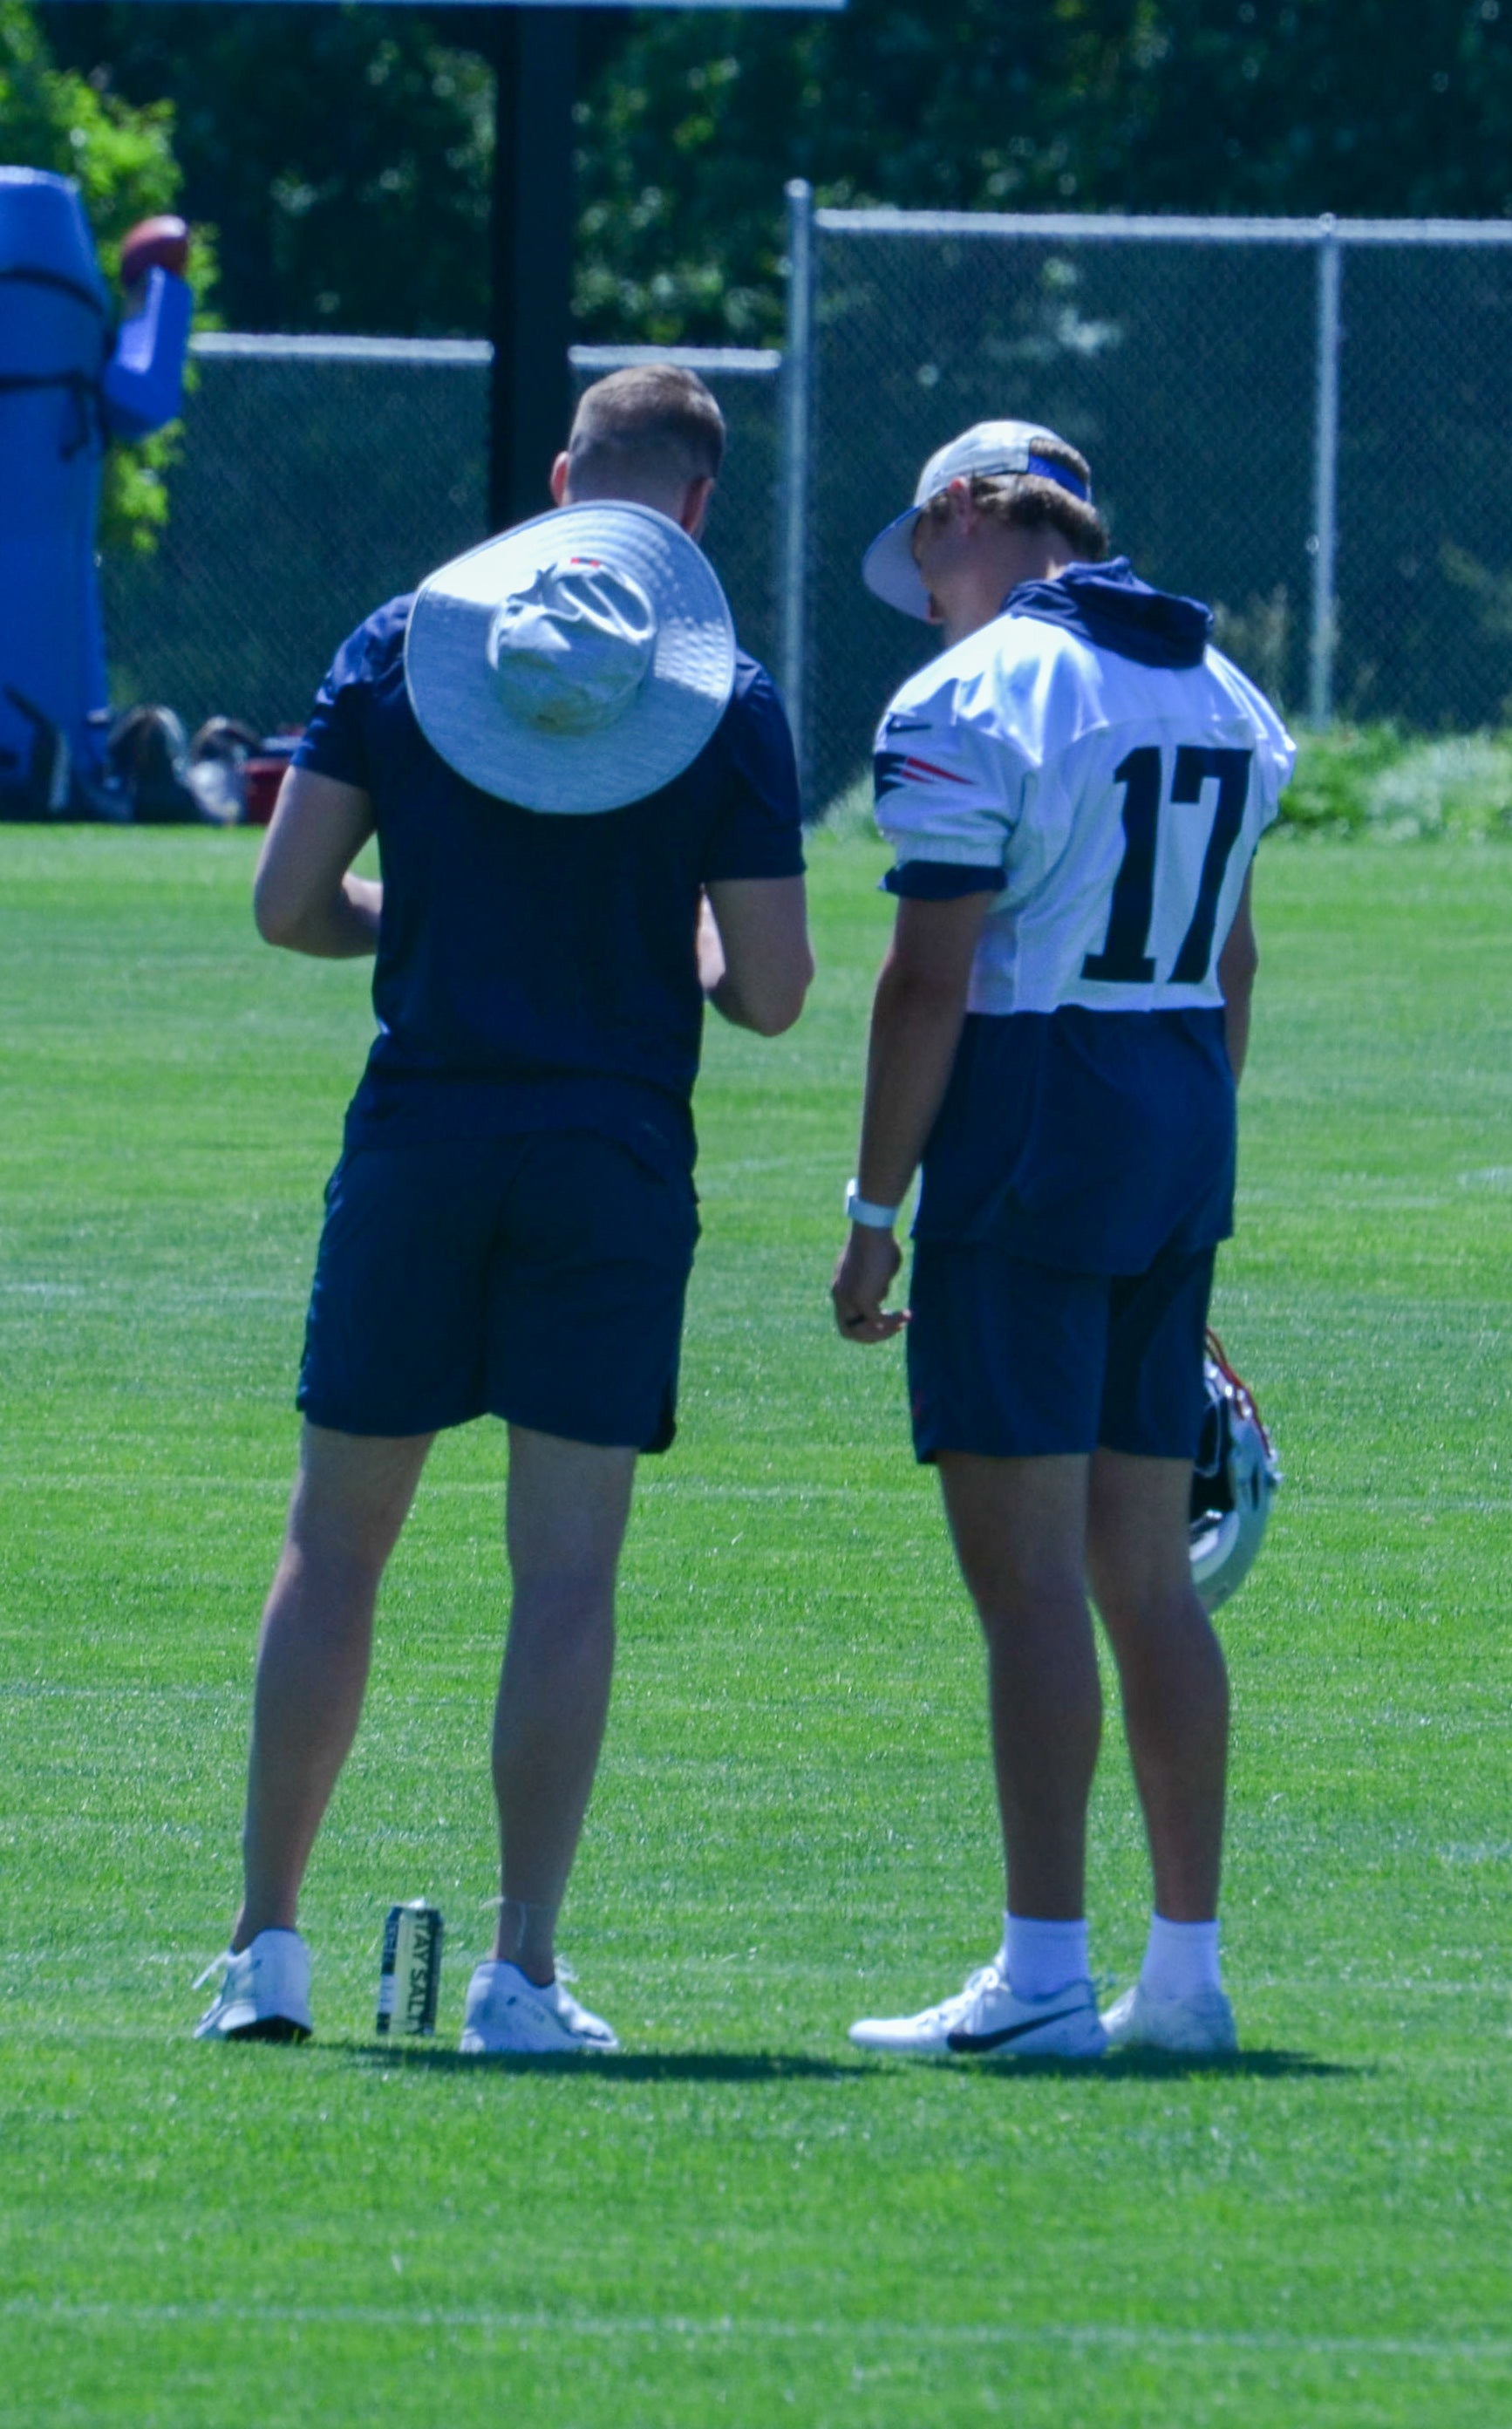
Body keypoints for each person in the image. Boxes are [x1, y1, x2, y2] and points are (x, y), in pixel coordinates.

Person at [194, 365, 813, 2054]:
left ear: (560, 479)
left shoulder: (397, 641)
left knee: (335, 1547)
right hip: (608, 1153)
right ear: (695, 512)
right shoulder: (731, 694)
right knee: (565, 1576)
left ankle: (266, 1952)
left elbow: (287, 904)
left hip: (420, 1134)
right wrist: (657, 951)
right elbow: (771, 990)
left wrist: (423, 927)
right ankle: (522, 1974)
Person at [832, 420, 1293, 2061]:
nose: (928, 603)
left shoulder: (972, 697)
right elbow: (1232, 958)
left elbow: (925, 982)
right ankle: (1185, 1975)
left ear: (969, 513)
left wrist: (873, 1212)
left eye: (928, 559)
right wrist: (1187, 1171)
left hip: (1039, 1097)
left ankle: (1038, 1976)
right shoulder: (1225, 686)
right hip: (1177, 1099)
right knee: (1141, 1574)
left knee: (1025, 1579)